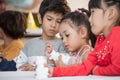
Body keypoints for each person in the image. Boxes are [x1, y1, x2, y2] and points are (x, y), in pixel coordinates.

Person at [48, 0, 120, 76]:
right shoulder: (101, 39)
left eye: (93, 12)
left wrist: (96, 70)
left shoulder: (118, 34)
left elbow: (118, 68)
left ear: (110, 13)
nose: (89, 19)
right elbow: (85, 68)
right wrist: (54, 71)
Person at [19, 0, 71, 71]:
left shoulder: (64, 44)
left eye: (58, 21)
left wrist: (36, 68)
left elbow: (65, 68)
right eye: (49, 19)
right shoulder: (29, 45)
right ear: (40, 19)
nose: (53, 25)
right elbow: (19, 66)